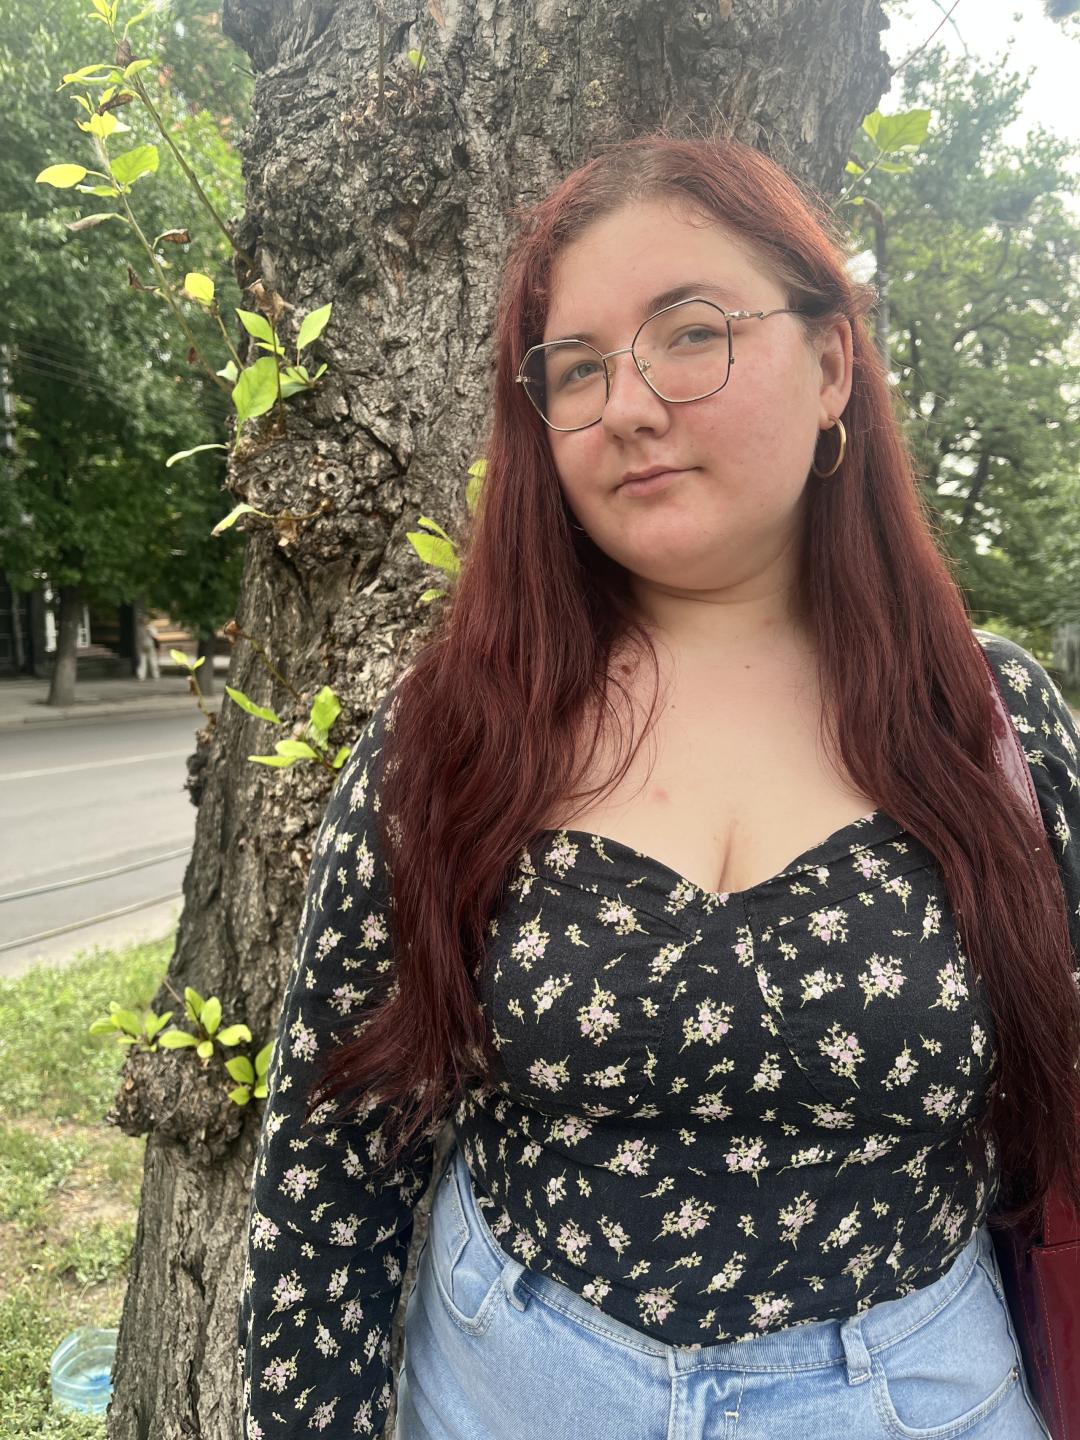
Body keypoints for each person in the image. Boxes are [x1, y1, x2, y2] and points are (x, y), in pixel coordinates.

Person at [238, 134, 1080, 1439]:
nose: (627, 405)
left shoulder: (990, 723)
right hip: (509, 1395)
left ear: (832, 365)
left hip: (913, 1402)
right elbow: (332, 1162)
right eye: (577, 368)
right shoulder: (453, 733)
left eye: (691, 334)